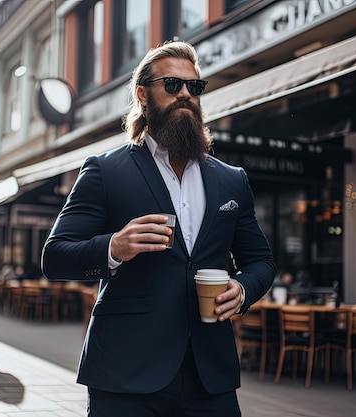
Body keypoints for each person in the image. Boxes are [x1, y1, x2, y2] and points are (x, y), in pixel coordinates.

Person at [42, 41, 275, 417]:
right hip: (126, 374)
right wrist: (114, 247)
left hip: (210, 378)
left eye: (194, 87)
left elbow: (261, 261)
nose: (185, 94)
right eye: (172, 85)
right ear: (142, 94)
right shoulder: (104, 171)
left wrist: (244, 288)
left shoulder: (233, 181)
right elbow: (55, 257)